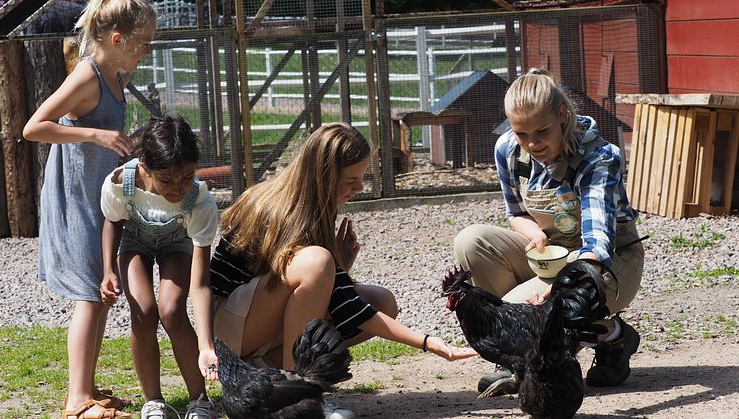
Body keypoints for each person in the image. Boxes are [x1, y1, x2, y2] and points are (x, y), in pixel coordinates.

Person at [211, 122, 477, 418]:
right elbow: (345, 306)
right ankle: (297, 394)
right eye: (351, 180)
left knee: (382, 301)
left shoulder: (314, 205)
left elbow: (337, 297)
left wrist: (339, 266)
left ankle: (277, 376)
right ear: (324, 176)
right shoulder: (282, 209)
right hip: (230, 332)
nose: (359, 188)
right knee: (316, 263)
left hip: (253, 319)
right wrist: (428, 343)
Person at [453, 68, 645, 393]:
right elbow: (515, 214)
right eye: (521, 133)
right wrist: (532, 232)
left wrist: (559, 290)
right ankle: (521, 357)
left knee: (524, 314)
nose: (531, 143)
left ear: (561, 115)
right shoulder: (508, 150)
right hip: (551, 255)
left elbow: (597, 244)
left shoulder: (598, 158)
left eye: (541, 131)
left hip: (608, 261)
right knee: (471, 242)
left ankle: (612, 337)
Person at [22, 1, 157, 418]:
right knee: (88, 295)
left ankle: (87, 387)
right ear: (117, 40)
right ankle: (77, 400)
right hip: (76, 200)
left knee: (103, 294)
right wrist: (96, 135)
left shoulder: (117, 71)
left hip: (98, 199)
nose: (146, 52)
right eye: (143, 44)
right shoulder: (87, 74)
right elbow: (33, 127)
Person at [99, 115, 218, 419]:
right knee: (143, 311)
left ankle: (200, 400)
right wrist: (109, 270)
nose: (178, 189)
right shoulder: (119, 183)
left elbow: (201, 284)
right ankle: (153, 401)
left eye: (188, 177)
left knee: (171, 310)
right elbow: (112, 223)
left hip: (177, 243)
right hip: (135, 241)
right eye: (167, 180)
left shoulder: (200, 201)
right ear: (144, 168)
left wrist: (206, 344)